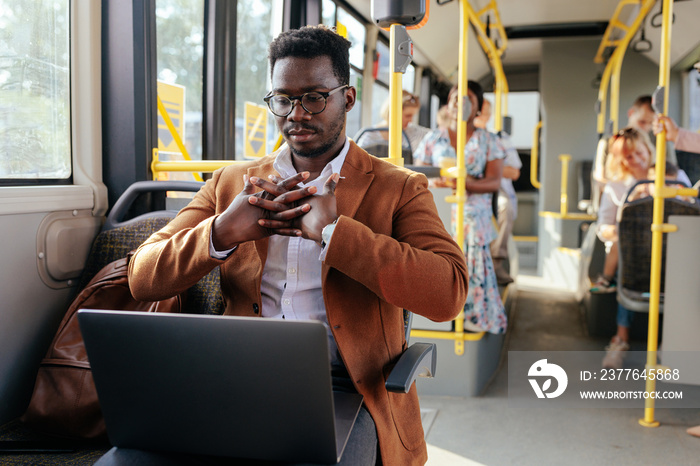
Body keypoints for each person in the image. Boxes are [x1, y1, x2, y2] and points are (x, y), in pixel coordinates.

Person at [105, 26, 468, 466]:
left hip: (347, 385)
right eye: (282, 99)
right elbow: (142, 278)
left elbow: (448, 292)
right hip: (236, 378)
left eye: (314, 97)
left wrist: (337, 233)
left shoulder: (398, 187)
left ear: (347, 98)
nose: (296, 114)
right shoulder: (231, 184)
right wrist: (221, 232)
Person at [414, 82, 507, 334]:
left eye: (467, 100)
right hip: (439, 207)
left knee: (472, 234)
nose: (460, 103)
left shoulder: (489, 140)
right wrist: (438, 182)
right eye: (456, 98)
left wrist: (464, 184)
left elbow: (494, 181)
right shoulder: (433, 138)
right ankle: (437, 311)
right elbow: (419, 177)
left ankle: (474, 315)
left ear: (477, 109)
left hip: (473, 211)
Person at [597, 127, 653, 370]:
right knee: (628, 265)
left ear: (648, 150)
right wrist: (622, 230)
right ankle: (621, 338)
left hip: (668, 247)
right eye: (630, 156)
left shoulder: (672, 177)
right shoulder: (616, 188)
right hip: (632, 252)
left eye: (639, 152)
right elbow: (604, 228)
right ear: (621, 161)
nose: (637, 159)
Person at [473, 99, 522, 285]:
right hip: (467, 187)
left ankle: (496, 261)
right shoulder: (459, 136)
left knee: (505, 208)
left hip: (495, 189)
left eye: (483, 112)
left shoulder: (499, 138)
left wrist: (489, 169)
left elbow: (514, 171)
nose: (479, 116)